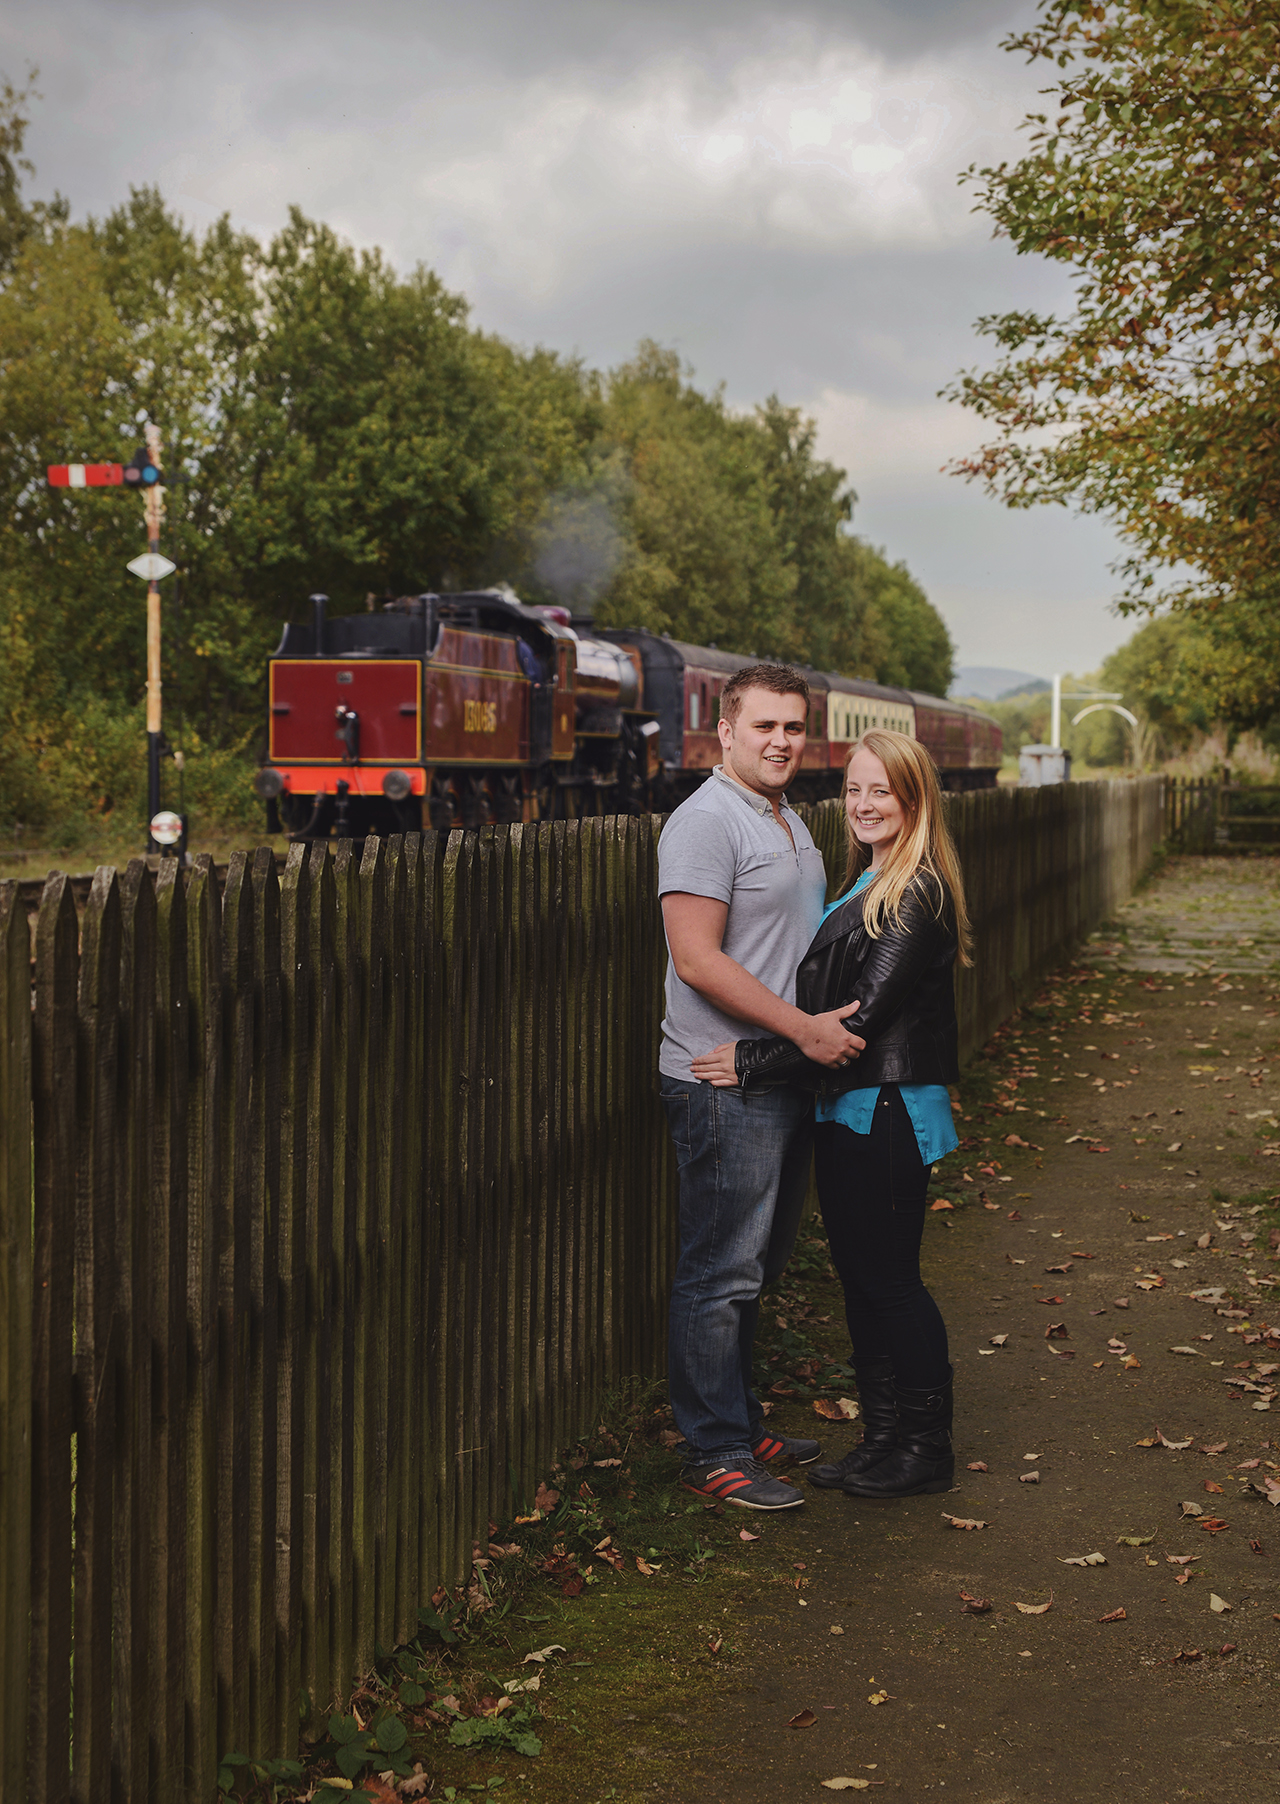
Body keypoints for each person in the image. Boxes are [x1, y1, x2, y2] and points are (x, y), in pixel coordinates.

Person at [691, 729, 972, 1500]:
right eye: (854, 789)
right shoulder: (866, 878)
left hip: (886, 1107)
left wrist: (749, 1060)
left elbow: (860, 1022)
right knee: (859, 1279)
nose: (864, 803)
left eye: (882, 790)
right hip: (849, 1108)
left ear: (913, 800)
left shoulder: (915, 890)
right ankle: (884, 1439)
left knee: (892, 1284)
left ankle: (925, 1447)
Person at [658, 664, 866, 1511]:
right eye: (764, 728)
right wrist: (803, 1031)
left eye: (793, 728)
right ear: (725, 735)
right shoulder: (705, 822)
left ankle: (738, 1415)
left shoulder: (781, 814)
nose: (781, 742)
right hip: (721, 1081)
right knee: (721, 1271)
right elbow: (696, 957)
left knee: (760, 1262)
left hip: (778, 1073)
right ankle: (715, 1450)